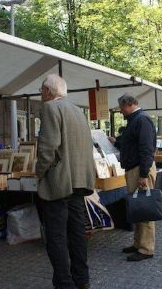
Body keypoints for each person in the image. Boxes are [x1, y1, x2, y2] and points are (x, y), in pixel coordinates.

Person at [36, 74, 95, 289]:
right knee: (77, 233)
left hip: (59, 183)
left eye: (41, 90)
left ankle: (64, 283)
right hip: (79, 181)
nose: (40, 94)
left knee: (57, 237)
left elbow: (47, 148)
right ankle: (82, 279)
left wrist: (39, 173)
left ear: (48, 91)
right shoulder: (78, 111)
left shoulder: (50, 108)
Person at [111, 93, 157, 262]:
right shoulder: (136, 120)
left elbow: (146, 148)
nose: (121, 111)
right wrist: (116, 141)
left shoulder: (141, 120)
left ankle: (146, 249)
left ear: (129, 104)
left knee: (144, 208)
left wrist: (144, 174)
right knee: (137, 207)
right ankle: (138, 243)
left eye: (122, 107)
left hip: (140, 169)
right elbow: (131, 143)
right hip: (136, 168)